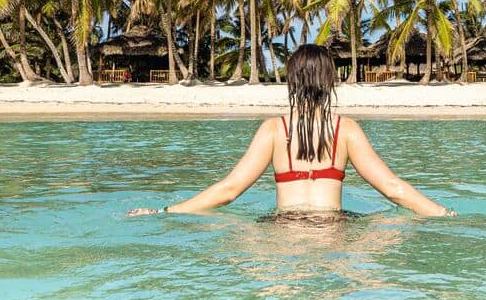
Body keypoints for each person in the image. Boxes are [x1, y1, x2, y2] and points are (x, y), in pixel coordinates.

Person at [130, 44, 452, 217]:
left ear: (292, 81)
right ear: (329, 81)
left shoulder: (274, 130)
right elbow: (393, 188)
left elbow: (229, 191)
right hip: (334, 234)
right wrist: (441, 212)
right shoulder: (346, 130)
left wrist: (166, 210)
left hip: (284, 234)